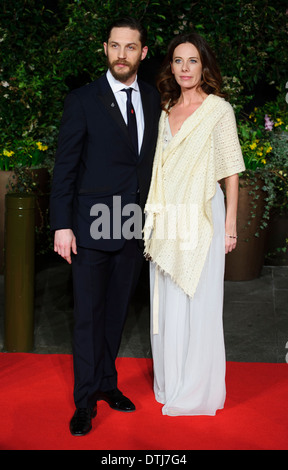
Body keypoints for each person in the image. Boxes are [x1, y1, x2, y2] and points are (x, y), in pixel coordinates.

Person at [50, 17, 160, 436]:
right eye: (114, 46)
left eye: (130, 47)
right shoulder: (83, 100)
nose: (121, 55)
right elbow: (65, 168)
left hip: (132, 223)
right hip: (89, 225)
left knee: (116, 314)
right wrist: (62, 225)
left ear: (143, 53)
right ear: (105, 48)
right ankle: (84, 402)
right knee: (88, 318)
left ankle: (107, 384)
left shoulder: (151, 99)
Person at [143, 33, 245, 416]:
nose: (185, 68)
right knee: (167, 300)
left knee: (198, 301)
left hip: (203, 216)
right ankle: (171, 382)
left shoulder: (219, 110)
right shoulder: (165, 108)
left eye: (192, 61)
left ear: (204, 66)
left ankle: (197, 390)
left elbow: (231, 170)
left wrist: (230, 226)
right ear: (170, 66)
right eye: (178, 61)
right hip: (168, 217)